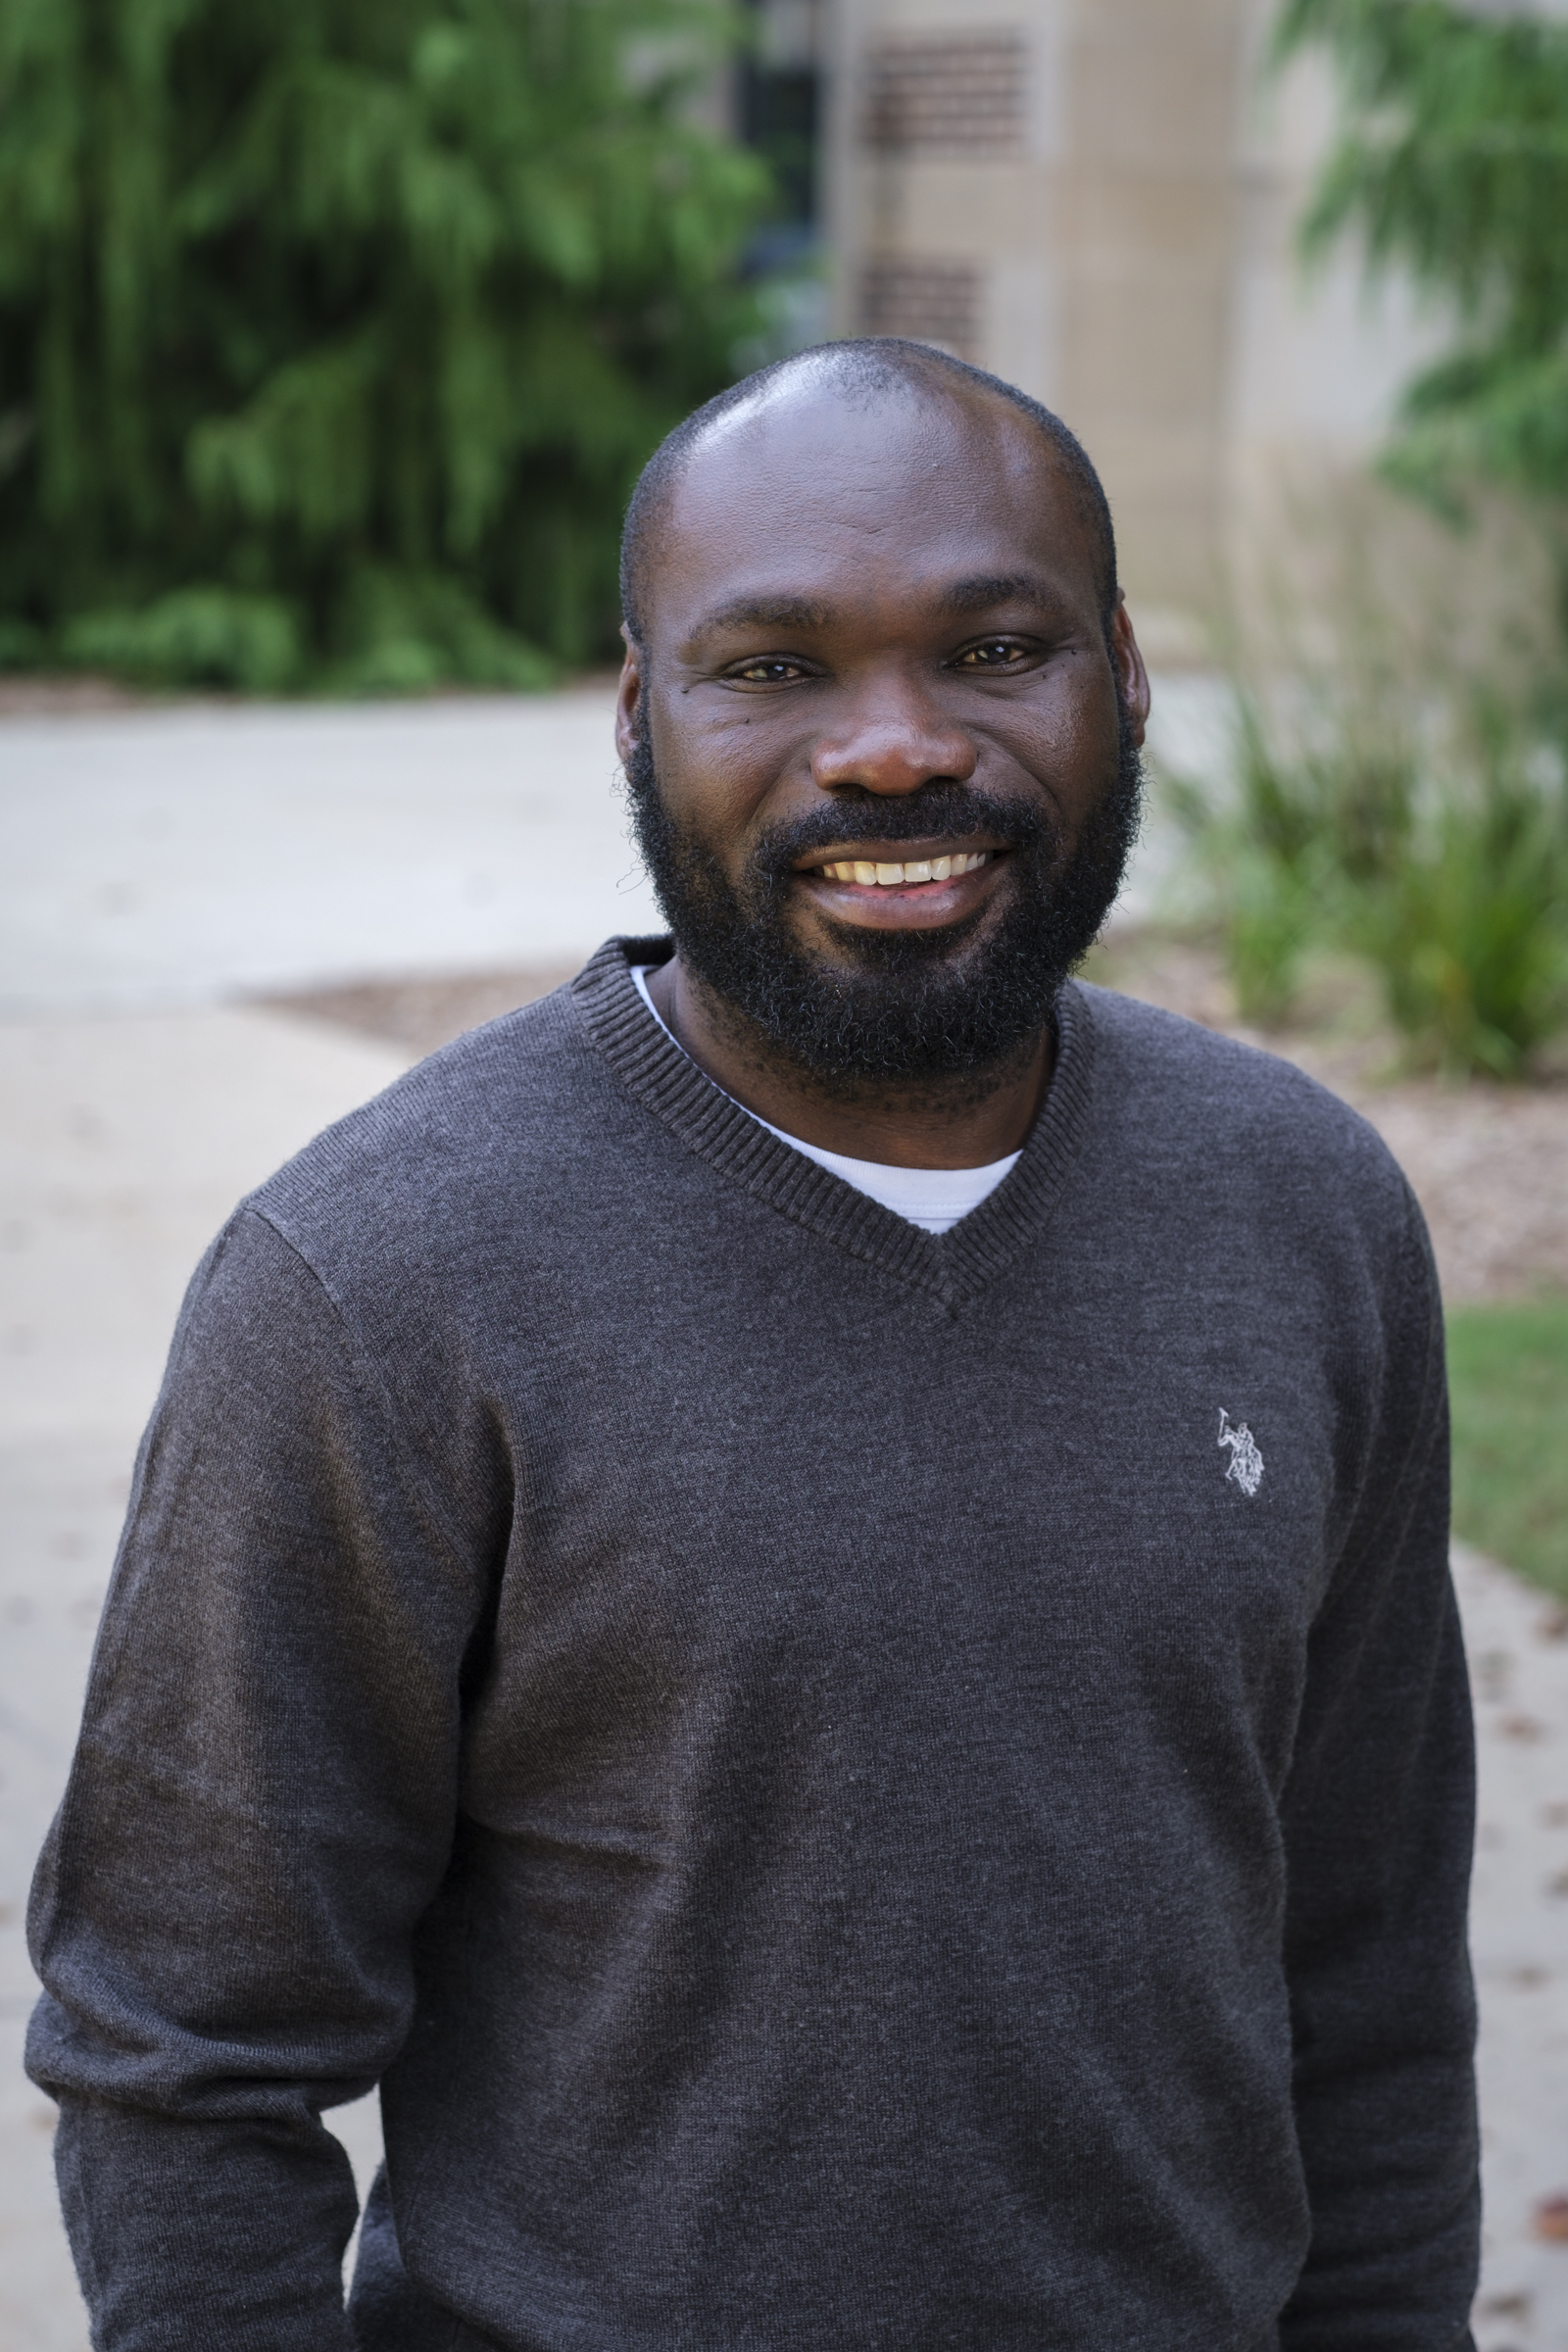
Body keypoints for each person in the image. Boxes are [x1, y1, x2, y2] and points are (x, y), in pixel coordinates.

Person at [27, 340, 1478, 2352]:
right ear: (640, 717)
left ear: (1125, 674)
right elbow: (184, 2058)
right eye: (773, 667)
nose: (891, 748)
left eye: (994, 649)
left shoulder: (1302, 1214)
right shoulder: (379, 1280)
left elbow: (1368, 1979)